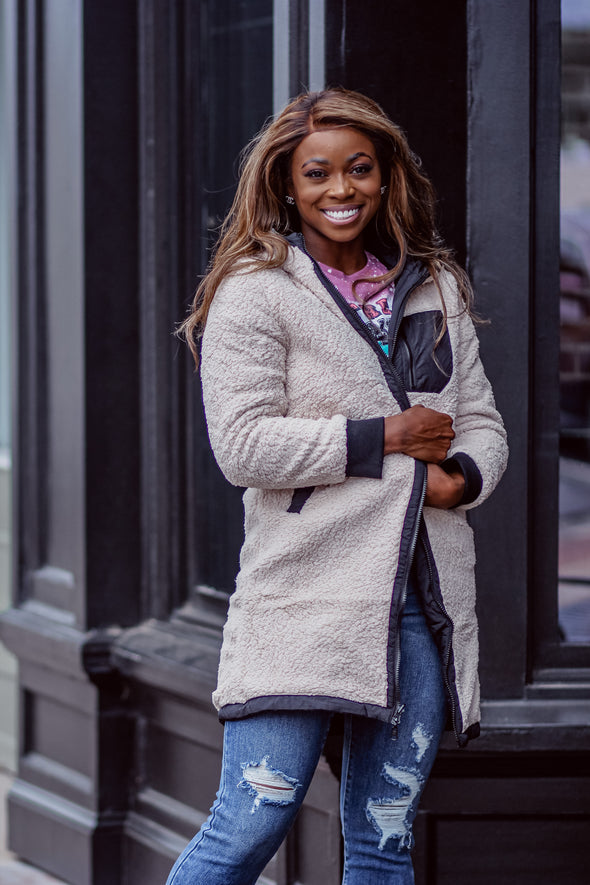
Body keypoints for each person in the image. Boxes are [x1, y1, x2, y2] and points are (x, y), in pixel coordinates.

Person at [167, 88, 508, 885]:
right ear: (288, 185)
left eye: (359, 168)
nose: (340, 189)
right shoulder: (257, 289)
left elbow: (482, 420)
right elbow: (243, 445)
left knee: (383, 840)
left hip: (419, 601)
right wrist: (385, 437)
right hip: (306, 597)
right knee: (250, 824)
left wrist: (458, 481)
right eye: (317, 173)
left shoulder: (436, 286)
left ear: (386, 174)